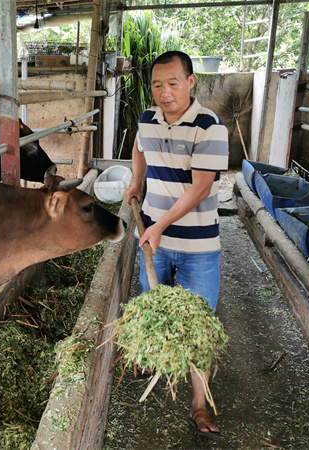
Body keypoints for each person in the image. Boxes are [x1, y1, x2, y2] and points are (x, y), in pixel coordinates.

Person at [124, 50, 229, 440]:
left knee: (200, 324)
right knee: (153, 308)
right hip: (155, 240)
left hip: (198, 247)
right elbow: (139, 148)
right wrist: (137, 181)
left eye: (172, 83)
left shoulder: (210, 127)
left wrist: (160, 224)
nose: (164, 92)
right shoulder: (147, 119)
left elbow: (202, 187)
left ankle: (199, 405)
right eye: (156, 84)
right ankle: (153, 361)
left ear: (190, 83)